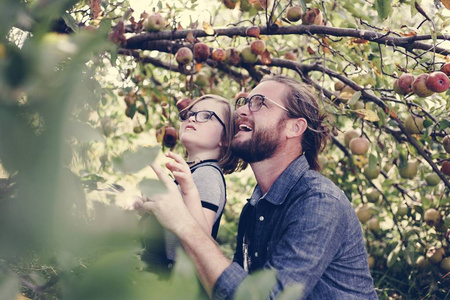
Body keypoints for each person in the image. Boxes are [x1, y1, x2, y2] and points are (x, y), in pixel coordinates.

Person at [135, 75, 378, 299]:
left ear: (294, 127)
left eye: (259, 103)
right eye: (243, 102)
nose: (240, 110)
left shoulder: (319, 202)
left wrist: (183, 223)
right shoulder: (255, 208)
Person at [138, 94, 245, 276]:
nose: (192, 118)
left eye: (206, 116)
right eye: (189, 114)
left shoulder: (207, 175)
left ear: (225, 138)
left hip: (171, 279)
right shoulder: (194, 172)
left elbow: (200, 241)